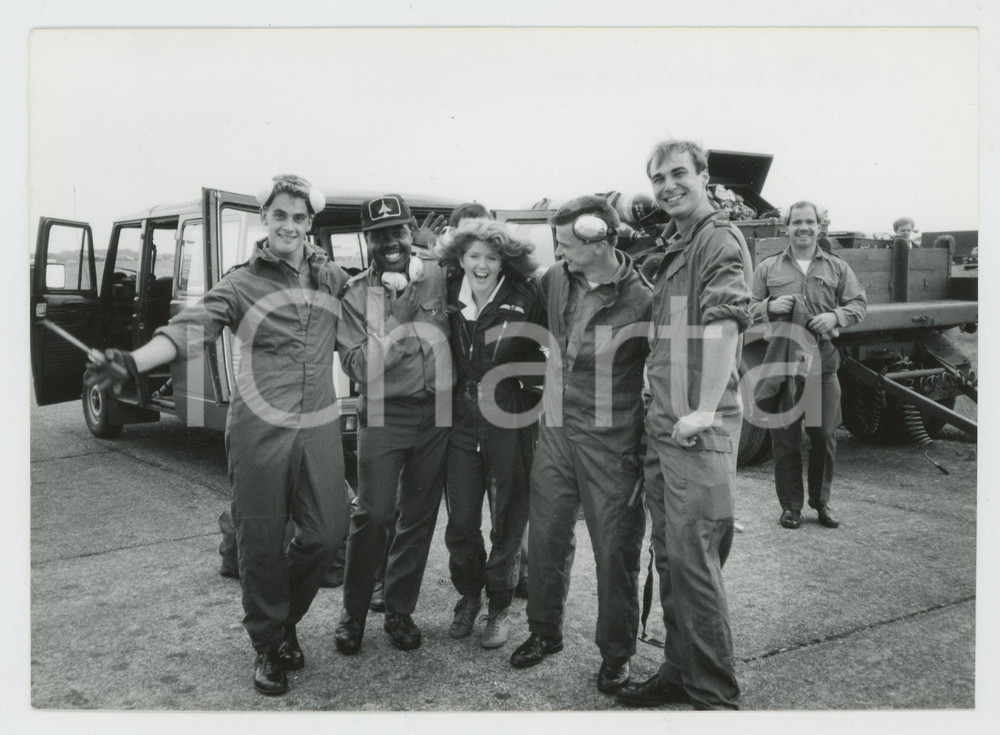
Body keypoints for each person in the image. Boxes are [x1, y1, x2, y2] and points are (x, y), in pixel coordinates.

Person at [86, 175, 351, 697]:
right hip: (259, 428)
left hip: (318, 423)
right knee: (260, 540)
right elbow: (191, 328)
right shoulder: (240, 283)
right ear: (265, 219)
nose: (289, 226)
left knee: (326, 535)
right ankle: (268, 644)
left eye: (299, 218)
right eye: (280, 216)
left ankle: (284, 620)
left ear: (310, 225)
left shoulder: (332, 278)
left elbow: (371, 310)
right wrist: (132, 362)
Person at [615, 140, 751, 710]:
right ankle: (680, 667)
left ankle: (713, 697)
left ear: (703, 176)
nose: (667, 185)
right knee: (670, 556)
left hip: (697, 427)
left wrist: (703, 409)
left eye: (678, 174)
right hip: (669, 425)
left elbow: (727, 322)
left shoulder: (716, 239)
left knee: (693, 563)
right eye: (657, 178)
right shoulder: (679, 246)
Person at [508, 196, 651, 696]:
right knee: (545, 539)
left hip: (611, 442)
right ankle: (544, 632)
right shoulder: (554, 279)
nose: (559, 252)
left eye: (567, 244)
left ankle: (616, 655)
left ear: (601, 240)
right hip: (554, 429)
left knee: (615, 549)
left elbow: (665, 370)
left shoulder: (643, 299)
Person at [334, 194, 454, 655]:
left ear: (410, 235)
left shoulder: (439, 275)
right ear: (368, 241)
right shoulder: (356, 294)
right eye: (379, 235)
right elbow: (360, 368)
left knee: (418, 518)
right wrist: (399, 320)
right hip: (384, 410)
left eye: (397, 233)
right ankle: (355, 612)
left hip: (437, 410)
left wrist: (438, 247)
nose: (390, 243)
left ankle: (400, 609)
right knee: (374, 514)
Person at [437, 218, 545, 648]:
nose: (481, 266)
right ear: (460, 258)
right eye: (474, 256)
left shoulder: (526, 295)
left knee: (508, 517)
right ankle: (469, 595)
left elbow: (552, 343)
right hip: (462, 416)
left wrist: (532, 384)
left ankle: (500, 605)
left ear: (505, 261)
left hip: (509, 414)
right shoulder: (447, 293)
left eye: (492, 257)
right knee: (461, 521)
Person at [750, 200, 867, 530]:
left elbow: (858, 303)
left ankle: (822, 502)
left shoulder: (836, 268)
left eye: (809, 222)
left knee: (825, 435)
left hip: (822, 363)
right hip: (781, 364)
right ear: (786, 227)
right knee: (785, 440)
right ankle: (791, 507)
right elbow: (745, 307)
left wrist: (835, 316)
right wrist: (770, 306)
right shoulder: (768, 268)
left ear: (819, 226)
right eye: (796, 221)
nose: (803, 227)